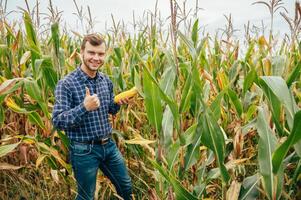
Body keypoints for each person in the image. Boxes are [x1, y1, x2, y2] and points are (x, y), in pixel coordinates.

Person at [52, 33, 133, 200]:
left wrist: (118, 103)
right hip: (84, 150)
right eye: (91, 53)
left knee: (126, 186)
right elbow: (58, 120)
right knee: (86, 196)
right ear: (81, 52)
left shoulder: (106, 81)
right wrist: (84, 107)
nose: (96, 58)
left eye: (100, 54)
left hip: (108, 145)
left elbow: (109, 109)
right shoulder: (67, 83)